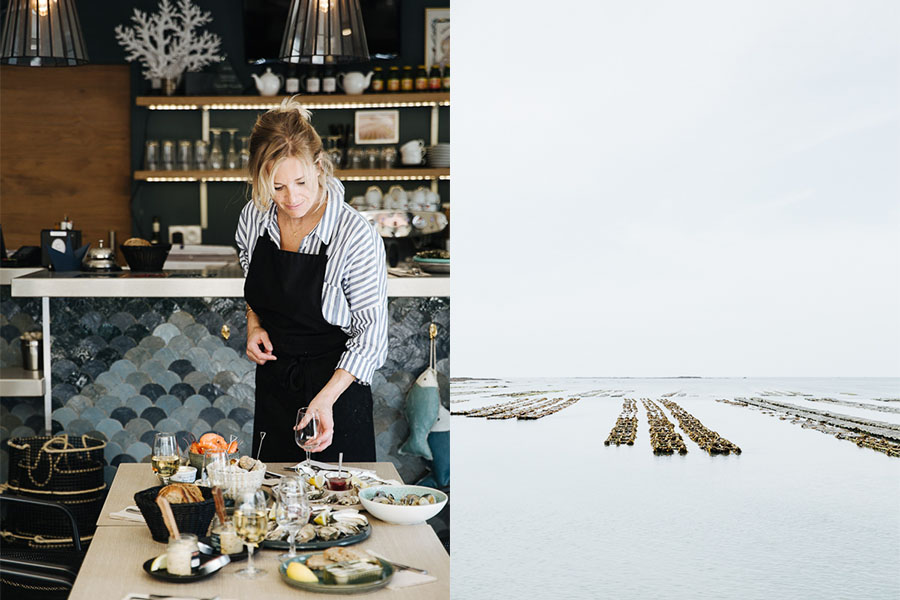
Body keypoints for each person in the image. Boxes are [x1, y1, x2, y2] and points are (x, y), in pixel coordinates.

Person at [235, 98, 387, 464]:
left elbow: (372, 338)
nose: (291, 198)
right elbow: (253, 285)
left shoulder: (354, 234)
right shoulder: (254, 219)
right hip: (275, 386)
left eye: (301, 182)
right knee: (273, 504)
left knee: (338, 510)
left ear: (319, 167)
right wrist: (254, 323)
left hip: (336, 390)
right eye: (277, 186)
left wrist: (325, 400)